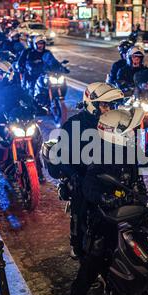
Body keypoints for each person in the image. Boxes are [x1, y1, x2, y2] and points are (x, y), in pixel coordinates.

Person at [70, 107, 146, 295]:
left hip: (131, 212)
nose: (132, 134)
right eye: (128, 131)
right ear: (114, 133)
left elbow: (138, 182)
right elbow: (90, 185)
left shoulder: (130, 151)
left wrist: (142, 196)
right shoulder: (98, 153)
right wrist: (105, 198)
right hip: (104, 216)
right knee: (96, 256)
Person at [58, 83, 125, 260]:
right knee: (81, 204)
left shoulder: (116, 125)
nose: (109, 109)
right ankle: (77, 244)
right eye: (104, 105)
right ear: (92, 105)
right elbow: (61, 157)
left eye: (112, 105)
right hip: (84, 176)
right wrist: (74, 176)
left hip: (111, 177)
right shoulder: (74, 125)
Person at [0, 60, 41, 192]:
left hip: (14, 120)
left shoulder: (15, 87)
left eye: (1, 73)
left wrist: (35, 107)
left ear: (8, 74)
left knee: (35, 135)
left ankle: (39, 170)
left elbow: (27, 98)